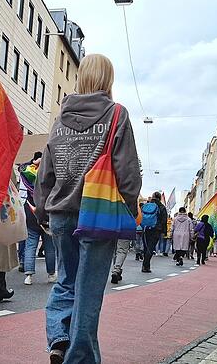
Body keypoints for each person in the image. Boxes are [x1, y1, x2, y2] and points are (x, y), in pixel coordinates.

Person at [35, 54, 141, 364]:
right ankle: (79, 358)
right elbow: (128, 171)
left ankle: (59, 337)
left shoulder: (61, 119)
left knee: (66, 281)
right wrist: (127, 208)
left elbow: (45, 172)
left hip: (60, 213)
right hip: (97, 214)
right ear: (108, 80)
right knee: (88, 292)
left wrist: (42, 211)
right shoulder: (116, 114)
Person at [19, 153, 55, 285]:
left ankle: (28, 275)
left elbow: (21, 168)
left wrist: (32, 161)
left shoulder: (28, 175)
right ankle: (51, 274)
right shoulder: (49, 176)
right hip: (47, 212)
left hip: (31, 211)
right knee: (50, 246)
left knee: (30, 244)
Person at [141, 192, 168, 273]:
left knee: (146, 247)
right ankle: (146, 265)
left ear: (152, 197)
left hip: (145, 228)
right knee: (151, 247)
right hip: (156, 229)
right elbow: (164, 220)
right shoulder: (161, 207)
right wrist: (164, 232)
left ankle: (146, 266)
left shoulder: (146, 205)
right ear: (160, 198)